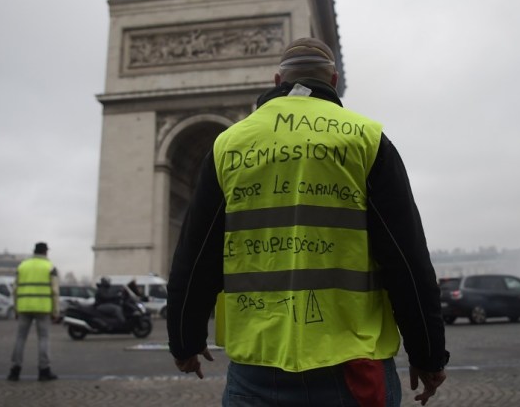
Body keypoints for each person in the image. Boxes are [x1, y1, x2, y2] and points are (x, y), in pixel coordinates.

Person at [167, 37, 450, 406]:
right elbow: (406, 259)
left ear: (276, 80)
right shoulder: (367, 139)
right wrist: (428, 355)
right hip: (353, 363)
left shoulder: (228, 145)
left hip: (257, 364)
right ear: (333, 81)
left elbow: (196, 255)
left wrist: (184, 340)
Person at [7, 242, 60, 381]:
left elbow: (15, 289)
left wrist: (16, 308)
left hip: (24, 307)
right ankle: (44, 370)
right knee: (43, 339)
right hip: (43, 308)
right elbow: (55, 291)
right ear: (46, 252)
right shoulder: (50, 267)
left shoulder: (22, 266)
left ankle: (15, 370)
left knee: (20, 338)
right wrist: (56, 311)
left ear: (34, 251)